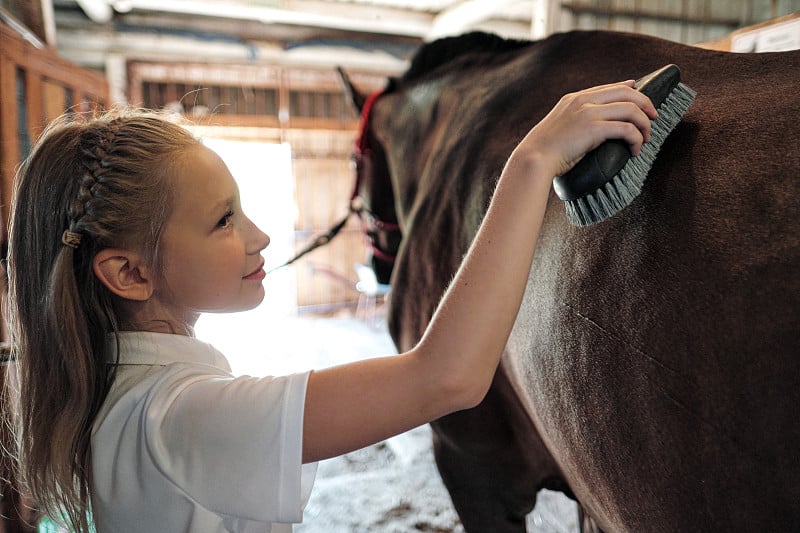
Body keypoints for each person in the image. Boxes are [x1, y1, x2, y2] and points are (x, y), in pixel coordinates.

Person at [3, 80, 655, 533]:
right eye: (224, 220)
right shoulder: (176, 415)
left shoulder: (123, 391)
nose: (259, 236)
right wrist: (532, 160)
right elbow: (446, 375)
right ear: (128, 272)